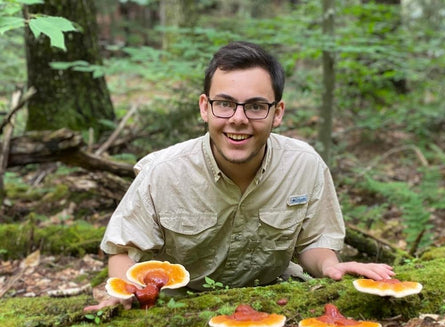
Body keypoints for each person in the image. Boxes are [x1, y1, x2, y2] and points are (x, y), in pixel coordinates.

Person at [85, 41, 394, 312]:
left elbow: (315, 243)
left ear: (278, 112)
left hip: (274, 299)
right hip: (182, 308)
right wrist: (126, 290)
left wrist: (331, 266)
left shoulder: (304, 166)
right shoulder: (163, 172)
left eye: (256, 106)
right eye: (225, 104)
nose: (238, 119)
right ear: (205, 108)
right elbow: (123, 249)